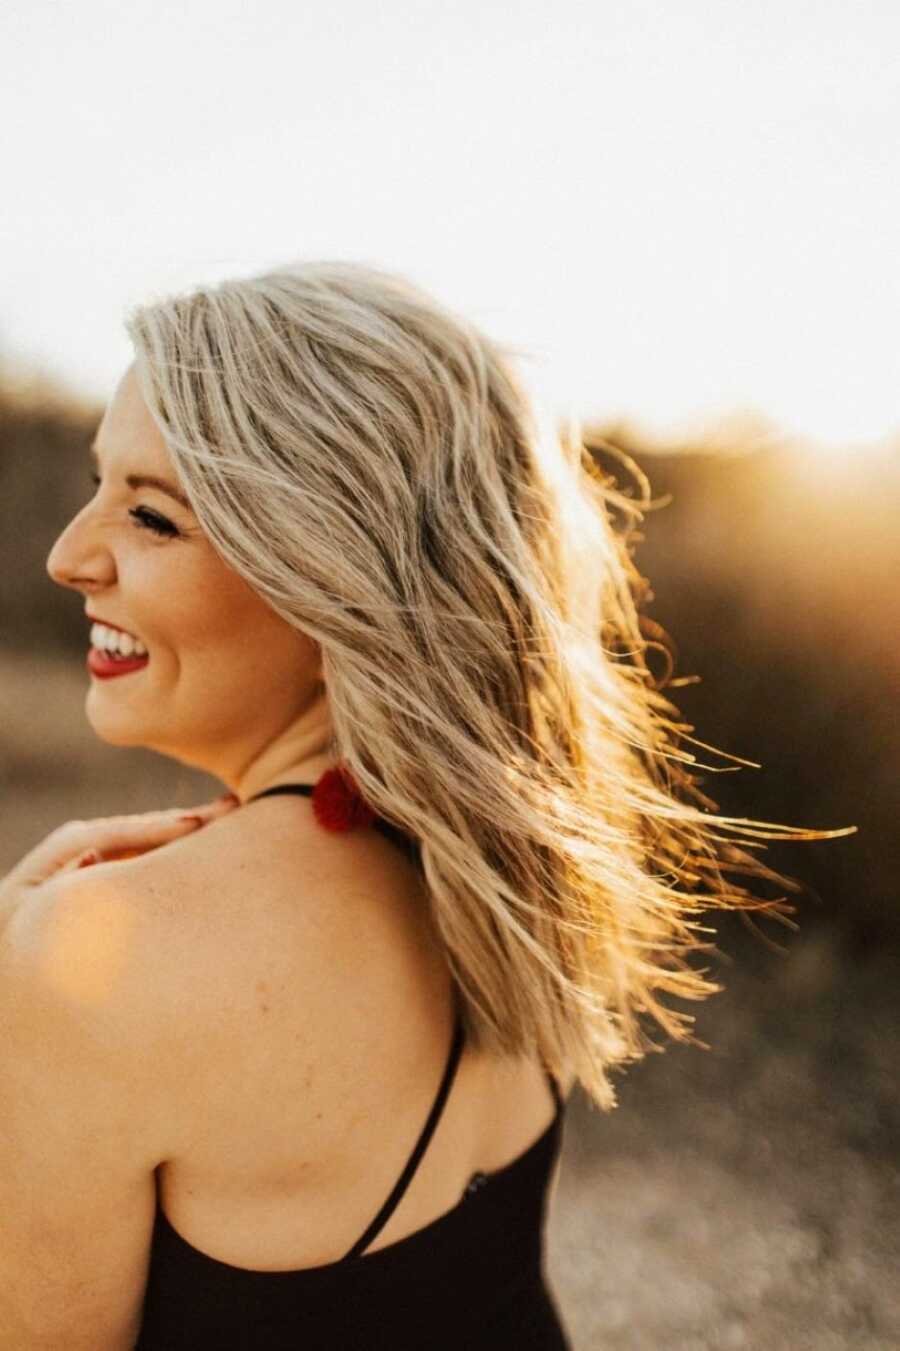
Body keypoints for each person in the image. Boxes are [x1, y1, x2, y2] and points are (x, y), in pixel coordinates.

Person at [1, 260, 834, 1349]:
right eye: (97, 485)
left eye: (152, 516)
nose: (70, 555)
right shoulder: (506, 859)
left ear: (329, 569)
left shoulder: (110, 954)